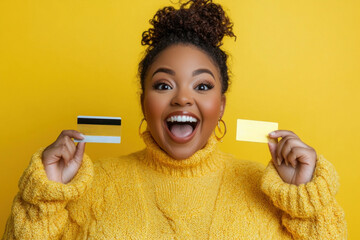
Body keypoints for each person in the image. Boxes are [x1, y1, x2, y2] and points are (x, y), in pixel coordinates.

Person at [2, 0, 347, 239]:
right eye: (164, 84)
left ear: (221, 105)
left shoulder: (267, 188)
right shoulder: (88, 187)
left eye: (202, 85)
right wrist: (45, 195)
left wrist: (305, 200)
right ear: (144, 102)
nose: (183, 98)